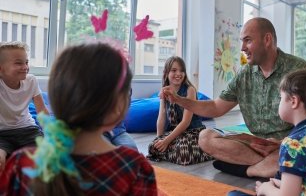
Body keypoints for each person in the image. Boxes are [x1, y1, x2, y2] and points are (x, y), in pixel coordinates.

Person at [161, 17, 306, 178]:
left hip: (291, 144)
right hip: (256, 144)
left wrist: (284, 143)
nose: (242, 48)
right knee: (205, 138)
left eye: (248, 40)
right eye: (242, 41)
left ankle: (250, 170)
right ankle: (275, 167)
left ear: (267, 39)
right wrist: (179, 100)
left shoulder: (298, 70)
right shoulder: (244, 74)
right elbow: (215, 107)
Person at [0, 42, 157, 195]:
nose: (24, 66)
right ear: (120, 106)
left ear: (55, 98)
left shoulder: (19, 164)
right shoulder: (135, 168)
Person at [147, 56, 213, 165]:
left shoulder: (189, 90)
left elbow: (186, 122)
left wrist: (167, 141)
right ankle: (169, 151)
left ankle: (207, 150)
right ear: (166, 72)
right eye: (174, 70)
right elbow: (161, 116)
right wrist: (159, 139)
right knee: (153, 147)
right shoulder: (164, 91)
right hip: (177, 134)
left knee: (183, 153)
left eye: (182, 71)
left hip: (193, 133)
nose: (179, 74)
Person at [0, 41, 49, 174]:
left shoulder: (31, 80)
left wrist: (50, 133)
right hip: (2, 134)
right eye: (18, 63)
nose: (25, 67)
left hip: (27, 130)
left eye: (26, 62)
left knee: (43, 158)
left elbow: (42, 110)